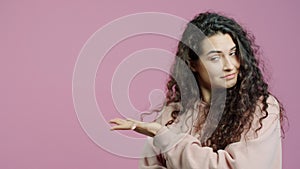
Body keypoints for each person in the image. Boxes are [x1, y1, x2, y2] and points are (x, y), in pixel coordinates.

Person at [110, 12, 285, 169]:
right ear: (192, 63)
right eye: (215, 58)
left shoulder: (261, 109)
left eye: (233, 53)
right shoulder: (171, 114)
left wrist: (164, 136)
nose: (230, 66)